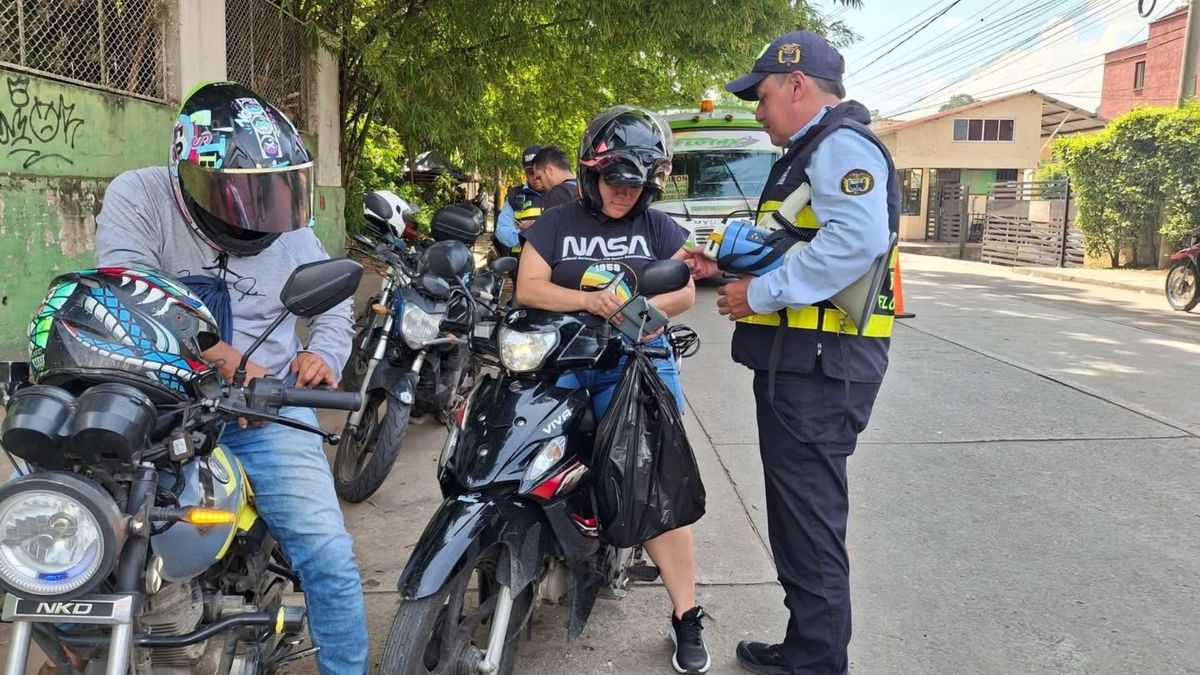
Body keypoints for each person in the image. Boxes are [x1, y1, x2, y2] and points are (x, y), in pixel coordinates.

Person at [93, 81, 367, 675]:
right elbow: (130, 295)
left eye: (272, 192)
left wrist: (324, 352)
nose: (261, 210)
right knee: (82, 536)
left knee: (327, 555)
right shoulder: (138, 196)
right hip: (160, 403)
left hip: (266, 407)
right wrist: (229, 360)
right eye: (244, 195)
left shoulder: (287, 221)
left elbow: (333, 302)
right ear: (191, 176)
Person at [685, 31, 899, 675]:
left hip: (819, 366)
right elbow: (796, 240)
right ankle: (808, 646)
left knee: (809, 522)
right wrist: (723, 265)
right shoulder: (816, 149)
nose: (757, 109)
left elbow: (853, 244)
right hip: (806, 363)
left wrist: (761, 295)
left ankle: (817, 663)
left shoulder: (838, 145)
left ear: (798, 84)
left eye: (764, 95)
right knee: (798, 518)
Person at [516, 105, 711, 675]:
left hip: (638, 362)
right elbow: (529, 287)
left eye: (635, 184)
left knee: (653, 483)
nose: (625, 194)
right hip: (564, 358)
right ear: (591, 173)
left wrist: (637, 309)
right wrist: (586, 301)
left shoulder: (658, 228)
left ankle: (686, 613)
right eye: (615, 181)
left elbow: (682, 295)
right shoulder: (557, 223)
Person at [494, 144, 546, 256]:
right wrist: (526, 236)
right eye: (530, 173)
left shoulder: (560, 194)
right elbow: (501, 231)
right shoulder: (514, 195)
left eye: (539, 172)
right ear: (525, 173)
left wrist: (534, 228)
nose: (535, 177)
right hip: (522, 263)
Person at [531, 144, 578, 211]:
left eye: (539, 178)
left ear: (549, 170)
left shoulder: (557, 194)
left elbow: (549, 221)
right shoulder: (586, 188)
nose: (540, 185)